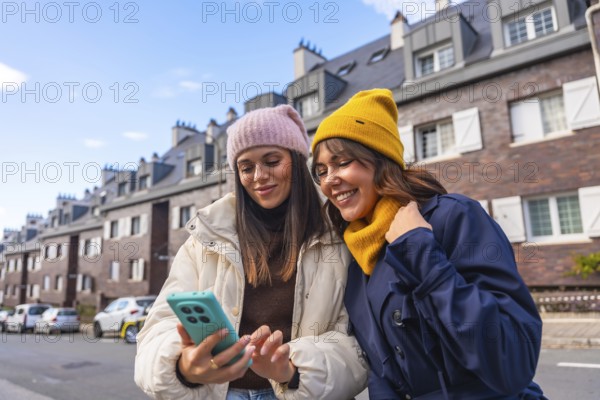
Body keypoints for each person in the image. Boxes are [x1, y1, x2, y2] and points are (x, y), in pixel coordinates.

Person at [310, 88, 547, 400]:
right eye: (322, 171)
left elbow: (512, 358)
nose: (329, 180)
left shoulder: (452, 217)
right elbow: (382, 378)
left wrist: (419, 250)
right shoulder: (357, 257)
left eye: (342, 162)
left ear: (380, 160)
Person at [135, 104, 368, 400]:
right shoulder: (205, 238)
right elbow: (159, 326)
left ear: (297, 162)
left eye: (272, 161)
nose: (259, 176)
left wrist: (292, 371)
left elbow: (357, 346)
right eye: (246, 167)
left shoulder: (340, 235)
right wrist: (182, 366)